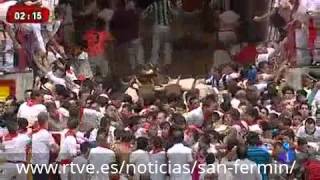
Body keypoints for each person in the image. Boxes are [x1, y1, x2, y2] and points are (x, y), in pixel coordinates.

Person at [143, 0, 176, 67]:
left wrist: (150, 18)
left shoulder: (153, 5)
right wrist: (170, 20)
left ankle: (154, 62)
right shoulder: (167, 2)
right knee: (167, 45)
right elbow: (173, 13)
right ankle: (167, 62)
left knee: (156, 45)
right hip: (166, 26)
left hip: (157, 26)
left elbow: (144, 15)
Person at [32, 112, 59, 180]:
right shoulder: (46, 134)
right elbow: (55, 148)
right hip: (42, 165)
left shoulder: (35, 134)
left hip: (34, 163)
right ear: (46, 121)